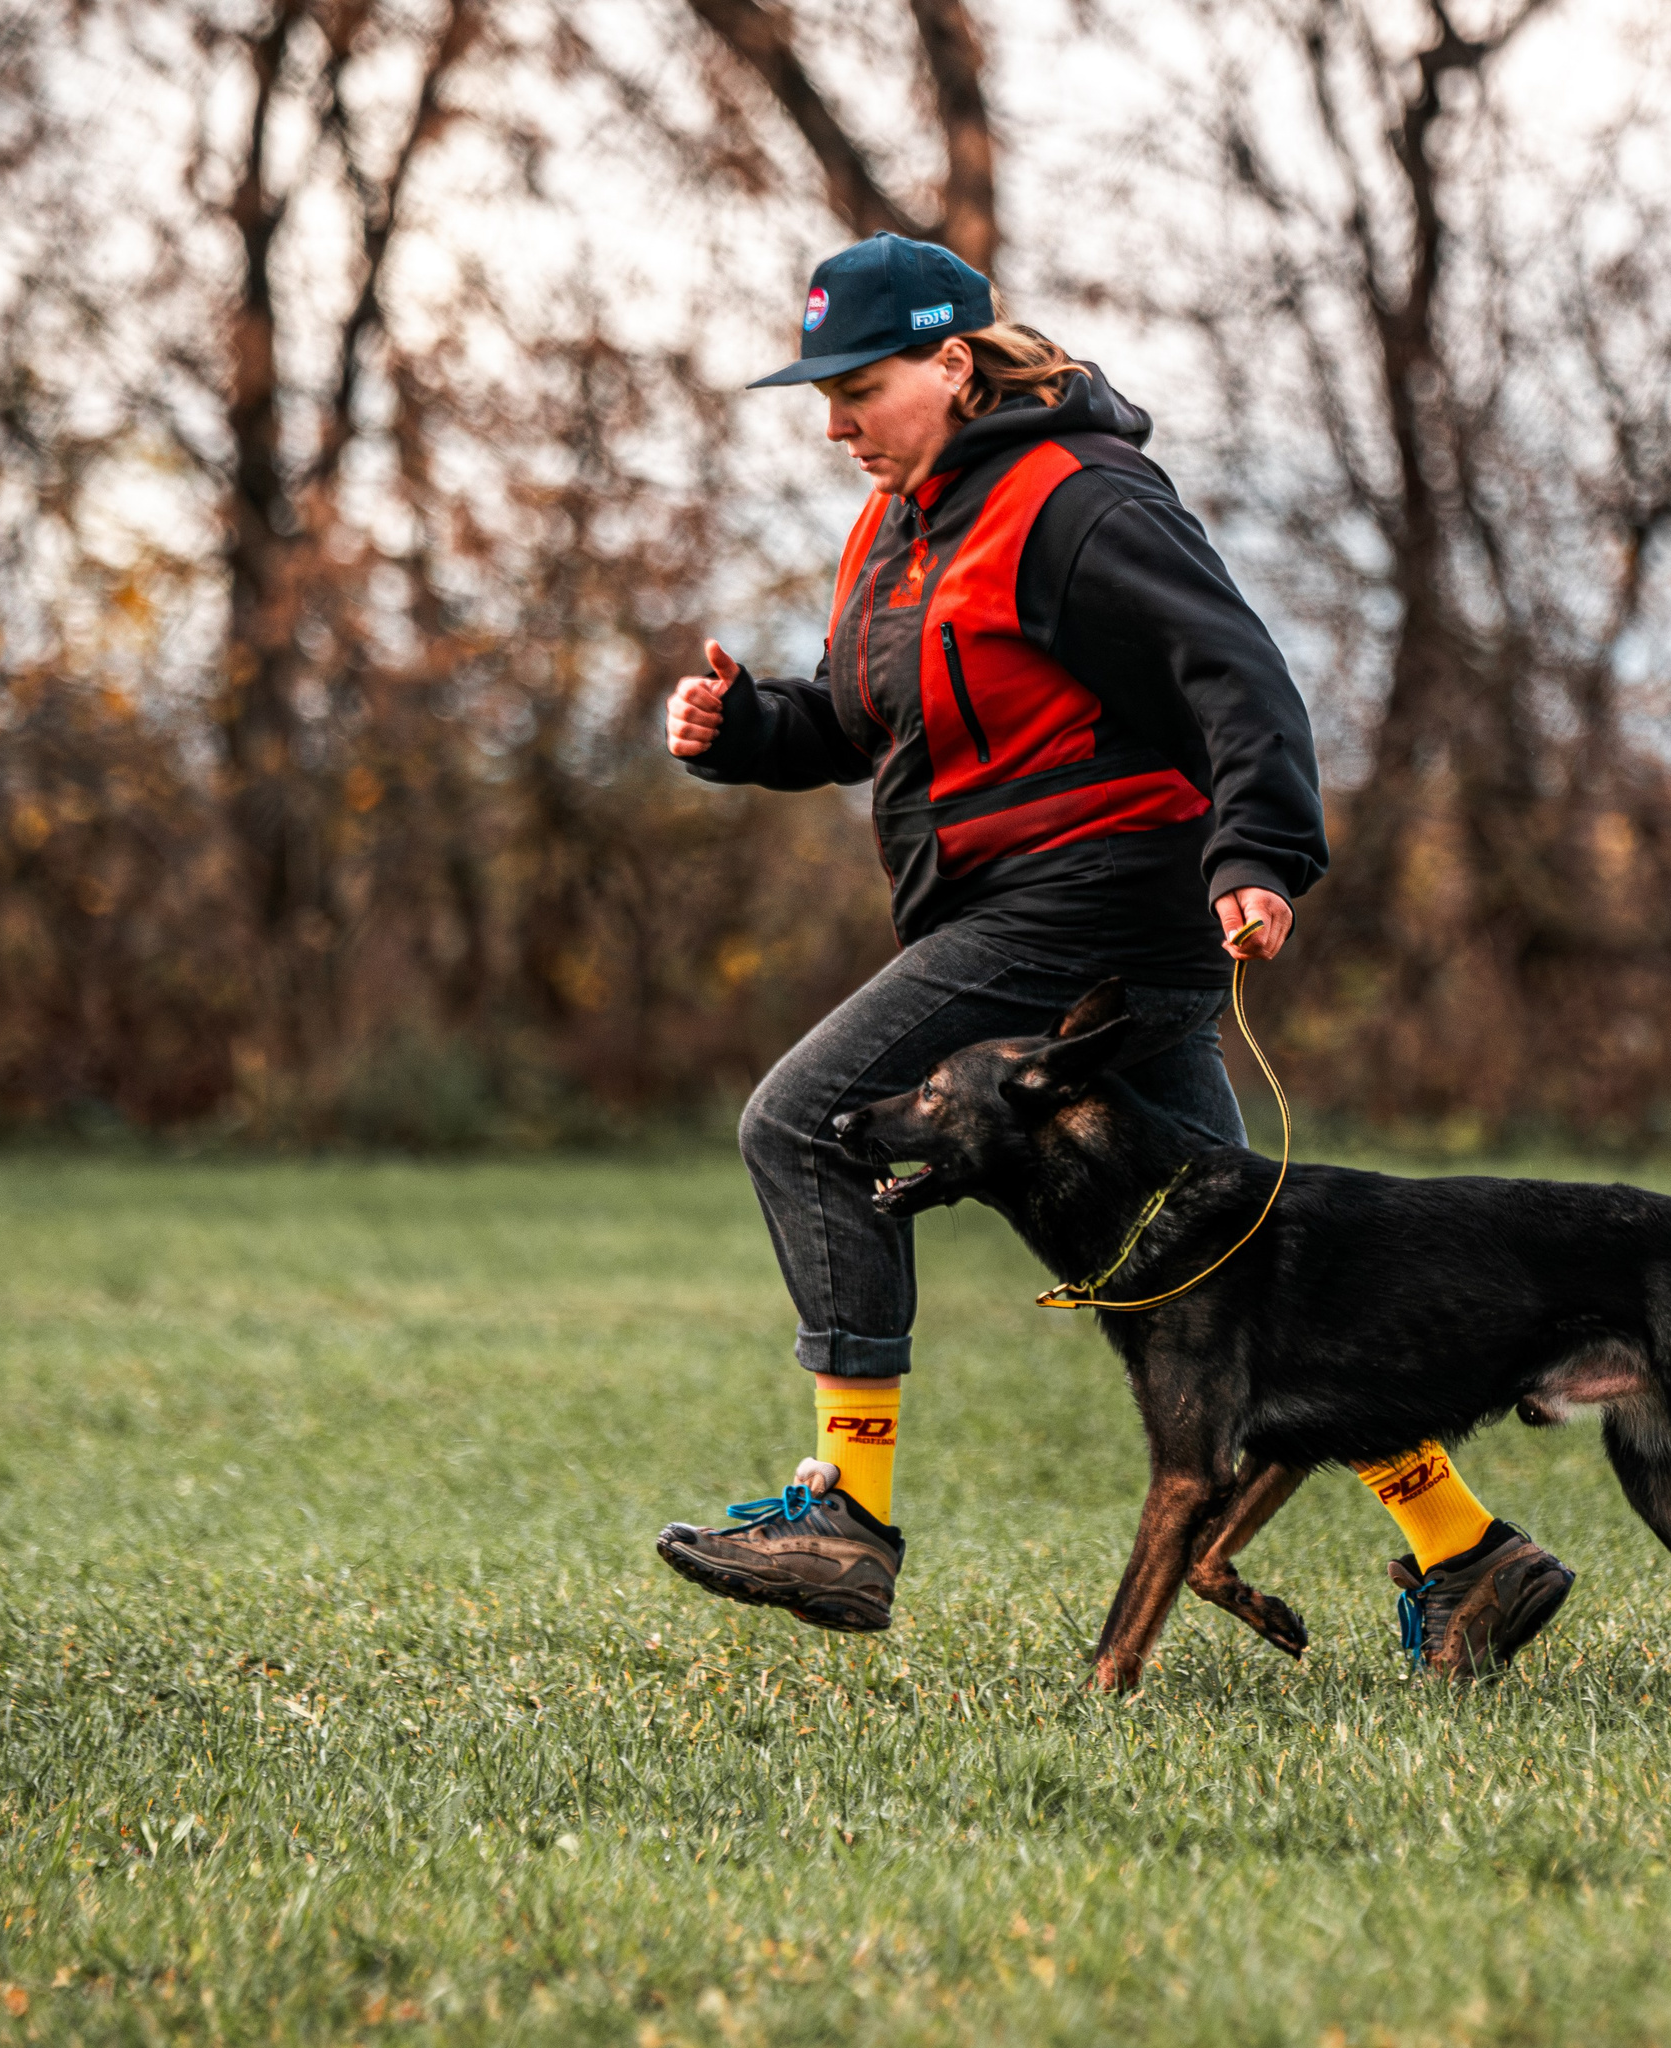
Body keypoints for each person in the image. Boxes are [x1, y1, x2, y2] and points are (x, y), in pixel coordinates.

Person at [654, 234, 1575, 1677]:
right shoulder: (897, 523)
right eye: (820, 391)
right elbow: (857, 717)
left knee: (811, 1126)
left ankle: (848, 1517)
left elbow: (1239, 675)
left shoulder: (1076, 503)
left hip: (1091, 905)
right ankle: (1468, 1554)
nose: (834, 419)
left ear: (954, 366)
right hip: (1025, 910)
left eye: (861, 385)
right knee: (1214, 1267)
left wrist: (1262, 851)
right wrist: (748, 730)